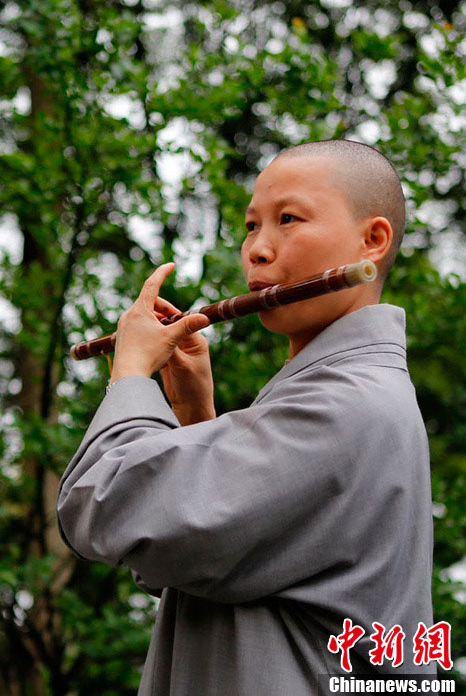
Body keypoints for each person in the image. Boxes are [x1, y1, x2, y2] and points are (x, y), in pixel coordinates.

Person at [57, 140, 435, 695]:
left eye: (288, 219)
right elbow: (201, 558)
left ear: (371, 241)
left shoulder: (344, 404)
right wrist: (193, 416)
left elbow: (110, 506)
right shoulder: (343, 393)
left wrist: (131, 374)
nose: (258, 249)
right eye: (251, 225)